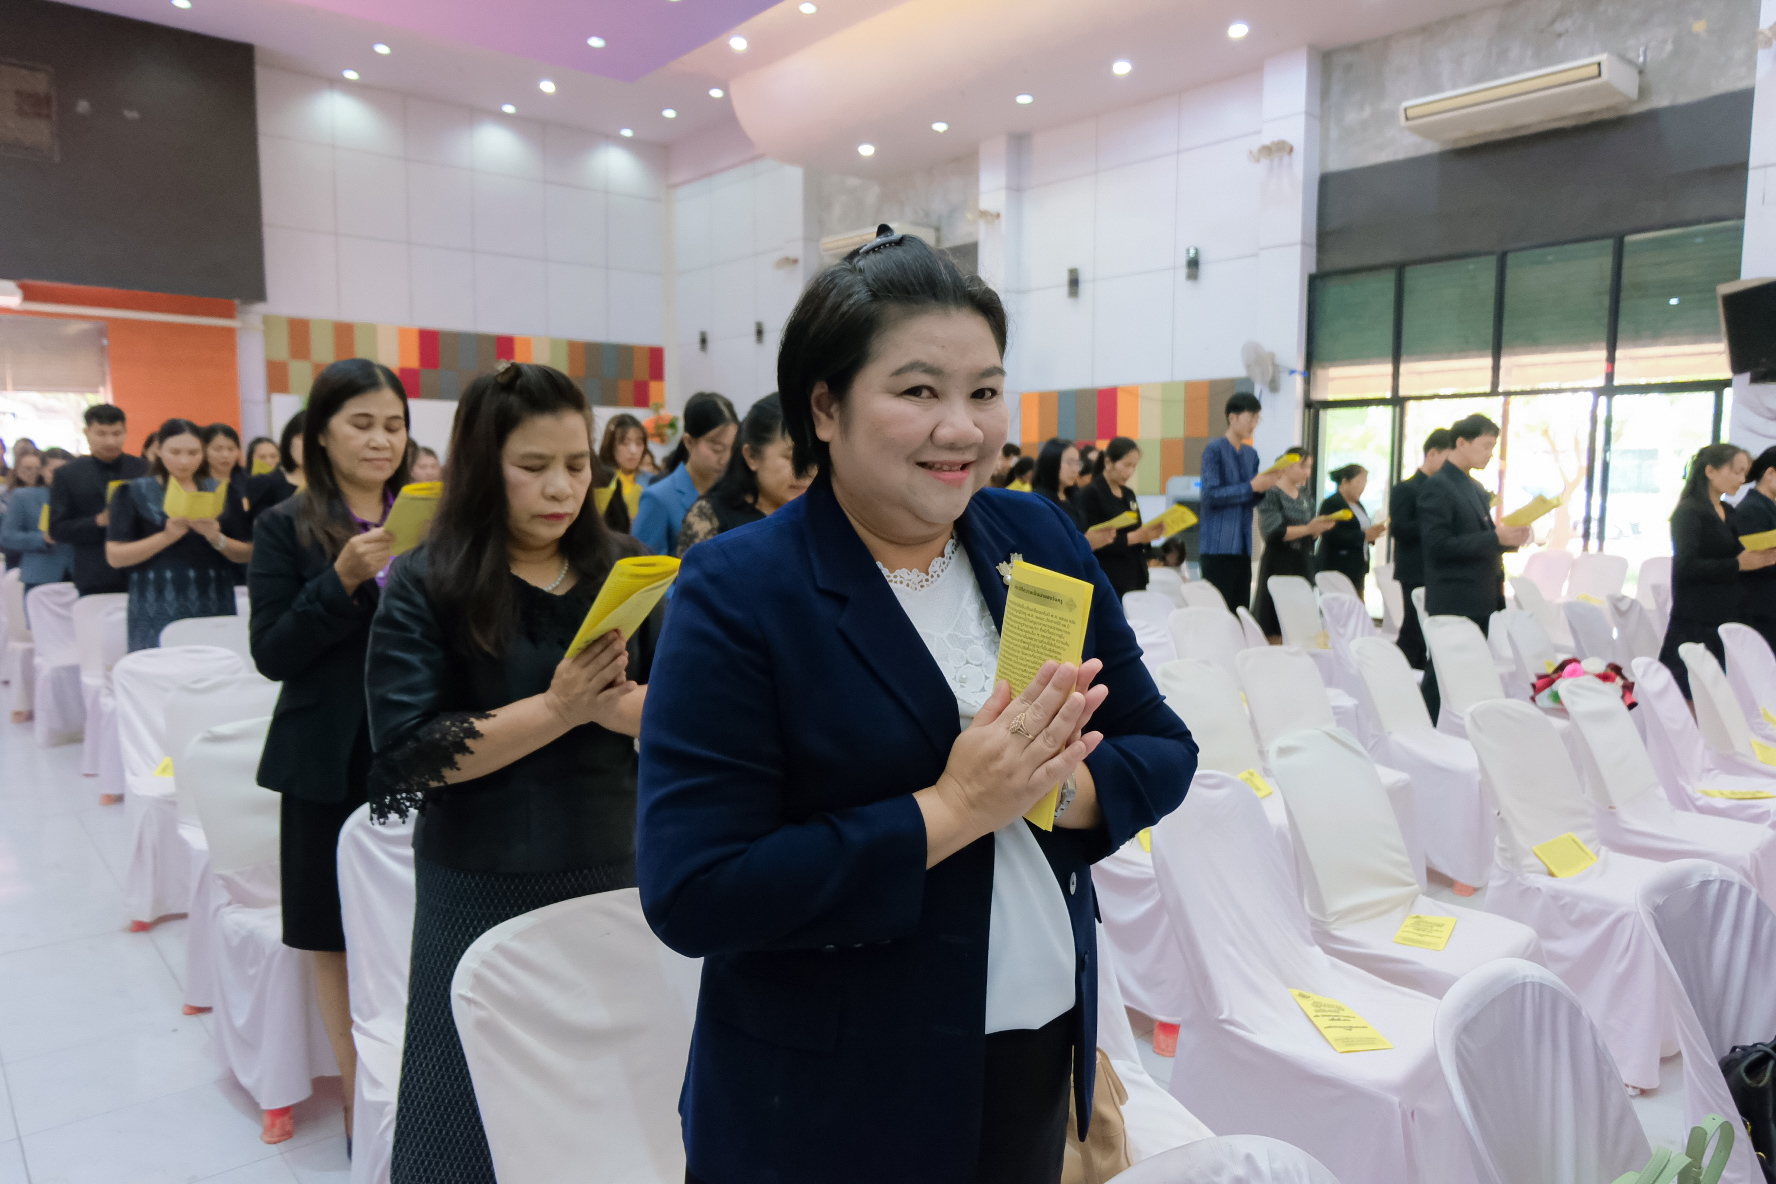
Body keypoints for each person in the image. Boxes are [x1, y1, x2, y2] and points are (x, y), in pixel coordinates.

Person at [637, 227, 1196, 1184]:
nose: (963, 429)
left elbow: (1161, 745)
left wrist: (1052, 788)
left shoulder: (1035, 535)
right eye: (919, 391)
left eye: (984, 391)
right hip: (828, 1091)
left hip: (1032, 1051)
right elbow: (697, 888)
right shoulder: (740, 589)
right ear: (825, 406)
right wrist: (952, 809)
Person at [366, 361, 655, 1184]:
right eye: (533, 466)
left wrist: (616, 709)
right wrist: (559, 708)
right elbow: (412, 753)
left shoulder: (624, 568)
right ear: (482, 467)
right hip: (480, 879)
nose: (561, 487)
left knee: (607, 1095)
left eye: (576, 464)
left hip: (613, 869)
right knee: (468, 1102)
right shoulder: (430, 580)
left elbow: (684, 708)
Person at [247, 359, 410, 1146]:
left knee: (411, 918)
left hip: (412, 749)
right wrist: (340, 579)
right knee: (332, 932)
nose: (382, 440)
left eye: (394, 425)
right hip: (324, 758)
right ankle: (357, 1098)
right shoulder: (285, 525)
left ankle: (417, 1079)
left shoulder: (426, 518)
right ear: (320, 435)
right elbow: (272, 651)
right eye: (363, 423)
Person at [1419, 414, 1533, 721]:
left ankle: (1455, 728)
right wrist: (1495, 537)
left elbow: (1479, 538)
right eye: (1485, 446)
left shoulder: (1473, 486)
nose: (1490, 454)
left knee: (1463, 674)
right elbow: (1438, 546)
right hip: (1454, 598)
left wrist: (1509, 539)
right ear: (1461, 443)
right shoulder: (1438, 487)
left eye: (1493, 447)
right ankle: (1425, 729)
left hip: (1478, 595)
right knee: (1442, 675)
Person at [105, 418, 253, 651]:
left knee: (214, 663)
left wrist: (217, 538)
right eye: (175, 452)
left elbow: (246, 553)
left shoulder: (222, 491)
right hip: (155, 602)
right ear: (158, 450)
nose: (184, 460)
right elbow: (115, 556)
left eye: (193, 453)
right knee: (161, 665)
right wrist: (166, 537)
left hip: (213, 597)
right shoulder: (132, 492)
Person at [1659, 443, 1773, 698]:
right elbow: (1685, 567)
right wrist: (1738, 564)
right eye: (1736, 471)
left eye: (1745, 473)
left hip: (1728, 613)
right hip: (1696, 617)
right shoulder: (1689, 512)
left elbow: (1738, 554)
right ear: (1710, 471)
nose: (1742, 480)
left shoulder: (1728, 512)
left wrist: (1762, 555)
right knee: (1691, 693)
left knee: (1725, 695)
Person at [675, 393, 812, 556]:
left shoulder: (819, 513)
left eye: (815, 459)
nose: (806, 471)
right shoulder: (711, 516)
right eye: (792, 458)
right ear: (751, 456)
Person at [50, 403, 146, 596]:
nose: (110, 441)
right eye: (101, 434)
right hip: (95, 574)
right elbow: (57, 529)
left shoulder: (144, 469)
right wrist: (97, 521)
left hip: (143, 570)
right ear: (87, 433)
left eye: (117, 433)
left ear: (126, 432)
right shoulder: (67, 474)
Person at [1198, 391, 1279, 616]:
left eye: (1257, 419)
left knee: (1241, 610)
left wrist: (1265, 486)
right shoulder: (1214, 450)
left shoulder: (1251, 454)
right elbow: (1210, 495)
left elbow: (1250, 497)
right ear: (1232, 418)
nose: (1254, 424)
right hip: (1217, 545)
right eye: (1250, 417)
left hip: (1243, 545)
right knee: (1218, 613)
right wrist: (1252, 486)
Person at [633, 391, 738, 555]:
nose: (725, 458)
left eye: (732, 448)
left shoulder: (734, 493)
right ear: (689, 442)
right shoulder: (658, 499)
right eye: (717, 449)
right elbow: (644, 566)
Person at [1252, 448, 1335, 638]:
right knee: (1275, 621)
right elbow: (1273, 532)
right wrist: (1309, 528)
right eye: (1303, 467)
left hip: (1302, 561)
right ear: (1287, 465)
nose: (1307, 472)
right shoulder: (1271, 493)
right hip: (1279, 562)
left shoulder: (1304, 494)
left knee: (1301, 622)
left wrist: (1319, 528)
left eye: (1310, 467)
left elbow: (1310, 532)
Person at [1388, 429, 1452, 669]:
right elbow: (1400, 529)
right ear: (1432, 454)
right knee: (1414, 626)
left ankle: (1414, 669)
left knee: (1426, 626)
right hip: (1414, 567)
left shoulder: (1445, 488)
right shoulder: (1407, 488)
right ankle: (1400, 669)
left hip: (1437, 568)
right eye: (1447, 459)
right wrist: (1434, 522)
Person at [1075, 437, 1166, 600]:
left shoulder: (1128, 494)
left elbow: (1137, 529)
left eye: (1134, 466)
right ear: (1108, 462)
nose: (1130, 472)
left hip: (1135, 574)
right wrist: (1133, 538)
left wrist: (1150, 534)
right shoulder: (1091, 494)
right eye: (1126, 465)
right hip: (1109, 576)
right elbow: (1091, 541)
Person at [0, 447, 75, 636]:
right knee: (42, 634)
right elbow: (7, 536)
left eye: (64, 471)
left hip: (77, 572)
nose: (58, 476)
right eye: (53, 470)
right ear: (42, 471)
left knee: (78, 633)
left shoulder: (80, 497)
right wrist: (41, 538)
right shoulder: (24, 497)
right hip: (40, 574)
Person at [1029, 438, 1116, 551]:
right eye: (1070, 463)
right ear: (1051, 462)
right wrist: (1085, 543)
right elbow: (1044, 546)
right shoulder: (1038, 500)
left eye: (1077, 463)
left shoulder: (1075, 496)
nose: (1075, 469)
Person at [1315, 463, 1386, 598]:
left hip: (1357, 566)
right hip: (1338, 566)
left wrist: (1372, 533)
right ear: (1345, 482)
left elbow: (1359, 528)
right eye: (1360, 482)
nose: (1363, 487)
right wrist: (1363, 536)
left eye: (1365, 482)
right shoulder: (1331, 503)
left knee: (1356, 604)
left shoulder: (1358, 505)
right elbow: (1331, 534)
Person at [1731, 445, 1776, 655]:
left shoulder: (1766, 507)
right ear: (1770, 473)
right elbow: (1757, 560)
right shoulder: (1752, 510)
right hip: (1761, 609)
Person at [595, 412, 651, 534]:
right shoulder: (600, 481)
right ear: (610, 444)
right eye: (625, 443)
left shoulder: (652, 481)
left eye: (639, 443)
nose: (633, 450)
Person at [247, 411, 306, 525]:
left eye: (273, 456)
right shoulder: (265, 483)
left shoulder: (334, 484)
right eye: (302, 438)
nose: (308, 445)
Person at [203, 423, 246, 487]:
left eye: (231, 449)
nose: (225, 455)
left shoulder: (248, 480)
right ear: (204, 450)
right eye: (218, 449)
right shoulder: (195, 484)